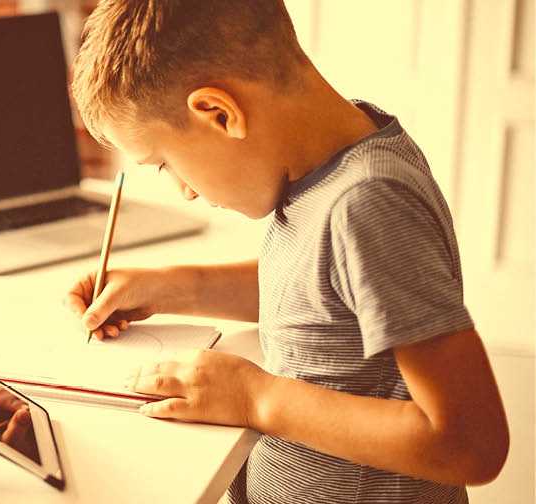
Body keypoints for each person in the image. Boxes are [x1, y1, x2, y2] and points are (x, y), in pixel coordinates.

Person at [62, 1, 509, 502]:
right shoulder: (323, 170)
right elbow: (323, 295)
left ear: (218, 113)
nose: (184, 191)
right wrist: (172, 286)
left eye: (165, 164)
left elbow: (470, 443)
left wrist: (257, 398)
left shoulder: (368, 202)